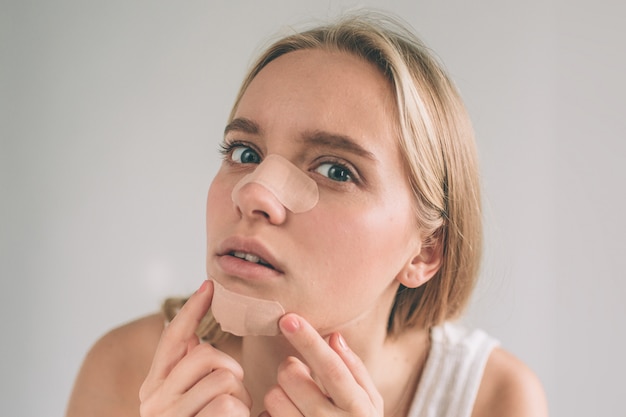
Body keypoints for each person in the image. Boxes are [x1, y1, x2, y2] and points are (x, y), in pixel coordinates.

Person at [65, 11, 548, 417]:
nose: (254, 196)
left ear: (425, 251)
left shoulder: (493, 398)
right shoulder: (126, 370)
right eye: (245, 153)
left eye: (336, 169)